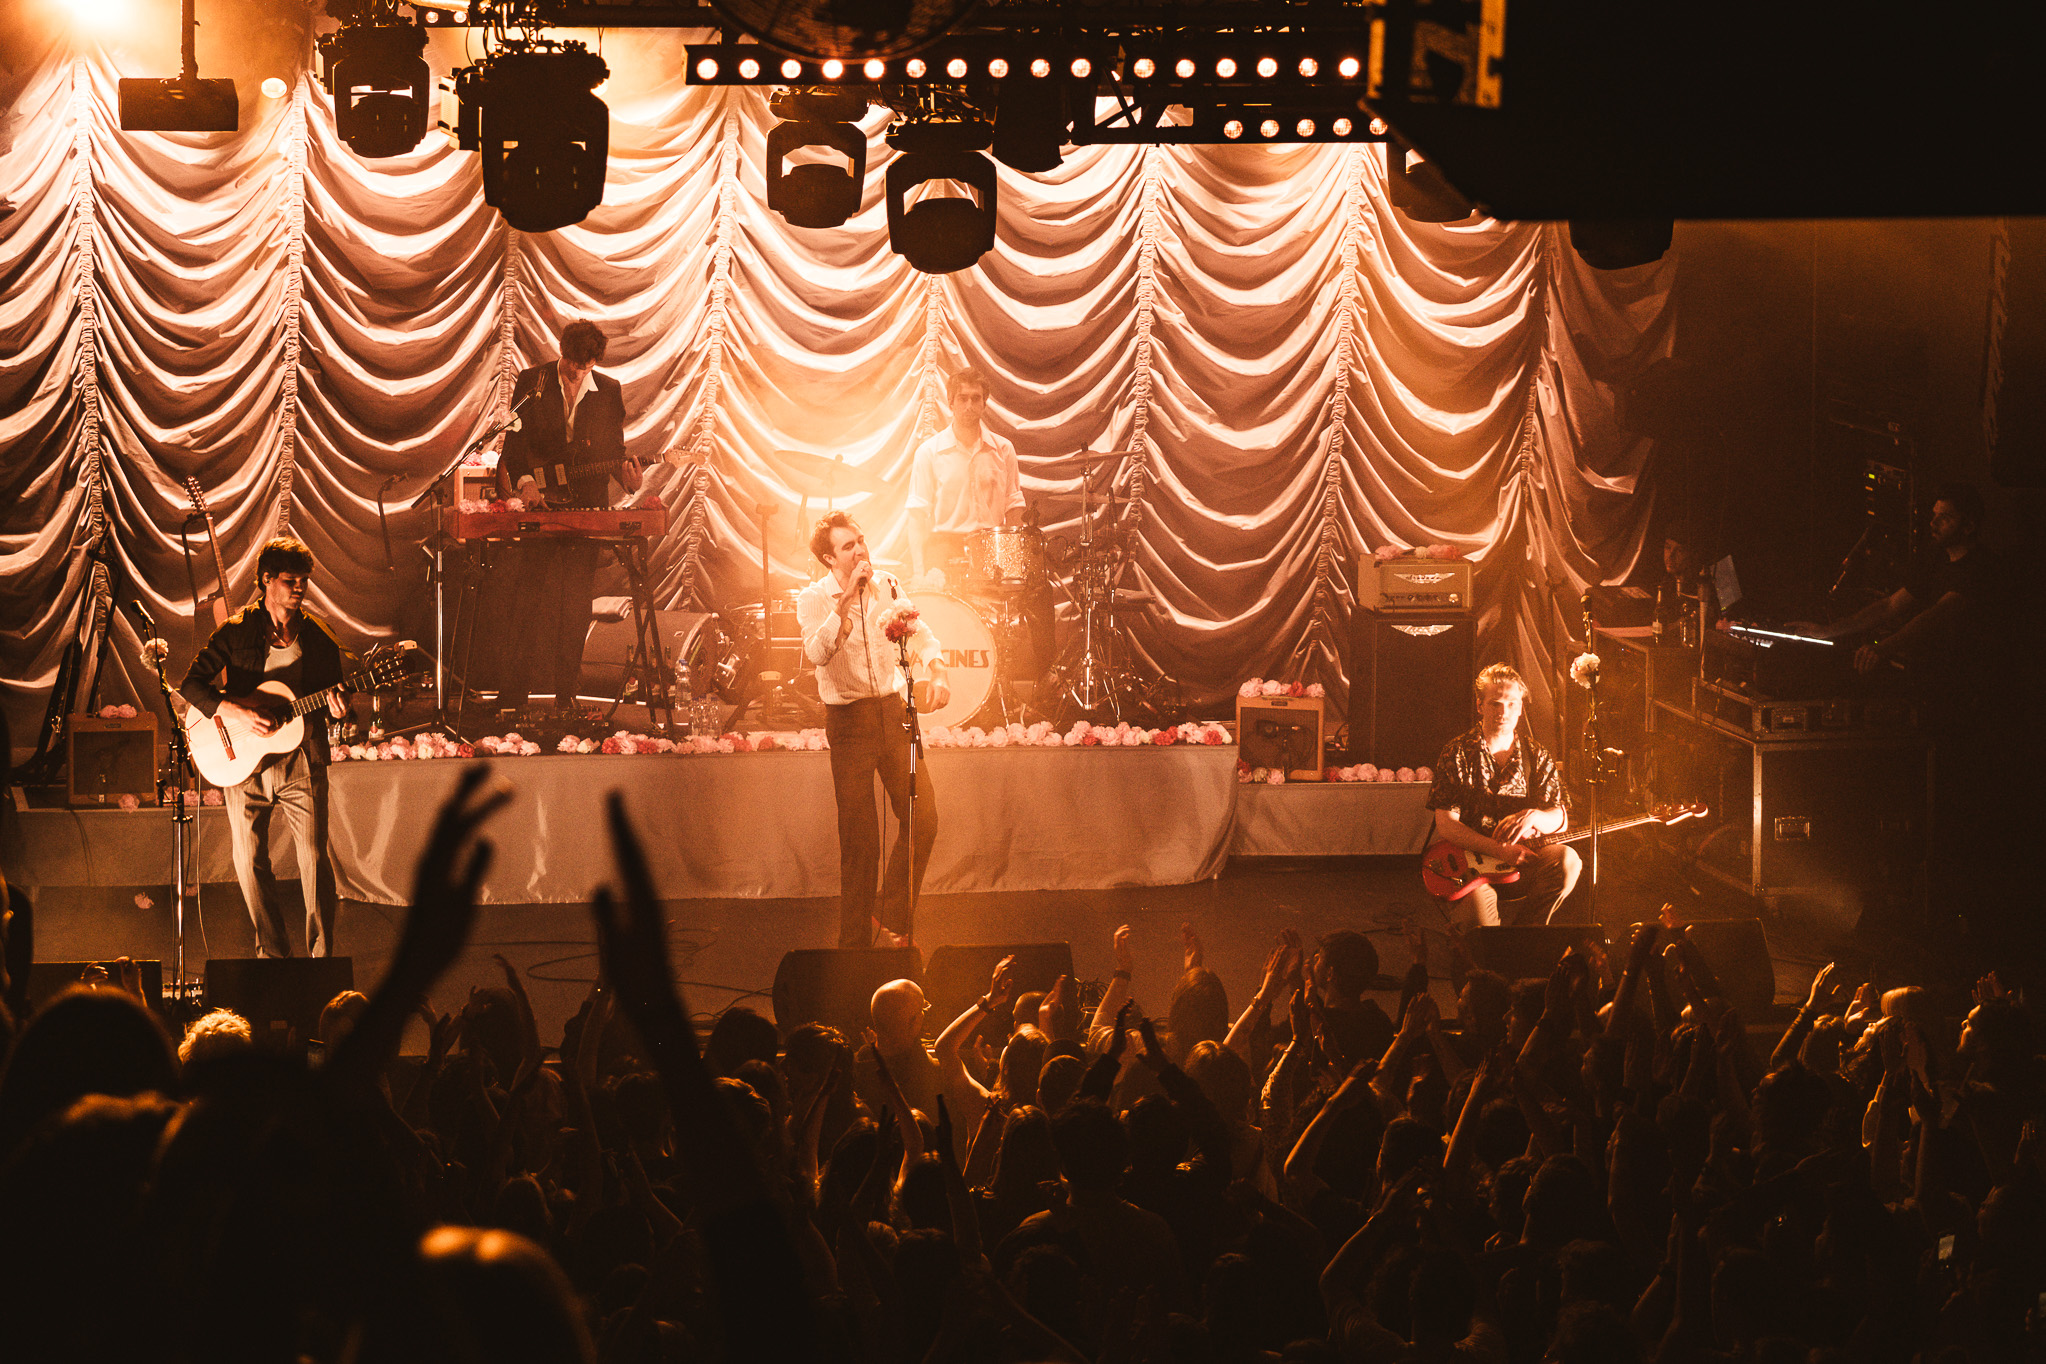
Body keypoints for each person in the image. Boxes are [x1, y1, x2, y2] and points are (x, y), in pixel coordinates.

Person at [179, 536, 349, 957]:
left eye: (304, 581)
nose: (299, 589)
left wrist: (342, 711)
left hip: (301, 761)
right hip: (243, 761)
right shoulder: (236, 631)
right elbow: (190, 685)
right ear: (266, 580)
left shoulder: (319, 638)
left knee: (313, 859)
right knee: (249, 862)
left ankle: (321, 961)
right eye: (290, 580)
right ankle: (273, 955)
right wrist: (237, 713)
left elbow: (334, 703)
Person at [796, 512, 950, 948]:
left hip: (894, 710)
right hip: (849, 722)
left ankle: (889, 914)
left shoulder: (889, 584)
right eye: (848, 546)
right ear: (829, 557)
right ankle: (854, 949)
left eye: (861, 541)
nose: (861, 550)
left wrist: (937, 671)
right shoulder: (812, 599)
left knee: (924, 820)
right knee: (861, 841)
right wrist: (844, 600)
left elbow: (919, 635)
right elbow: (818, 653)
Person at [493, 319, 636, 716]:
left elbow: (614, 450)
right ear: (561, 351)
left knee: (574, 606)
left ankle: (565, 694)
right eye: (572, 363)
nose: (577, 372)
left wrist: (626, 478)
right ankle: (513, 695)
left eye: (586, 366)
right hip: (539, 503)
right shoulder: (532, 382)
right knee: (528, 601)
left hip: (585, 508)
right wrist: (524, 482)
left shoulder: (608, 391)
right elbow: (513, 443)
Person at [1426, 662, 1579, 927]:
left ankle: (1526, 935)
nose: (1503, 712)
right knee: (1480, 927)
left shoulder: (1536, 754)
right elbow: (1446, 825)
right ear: (1479, 706)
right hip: (1471, 863)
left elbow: (1561, 817)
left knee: (1569, 861)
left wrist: (1534, 817)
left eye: (1511, 704)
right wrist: (1500, 849)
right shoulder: (1457, 752)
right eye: (1495, 703)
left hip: (1523, 860)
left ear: (1520, 708)